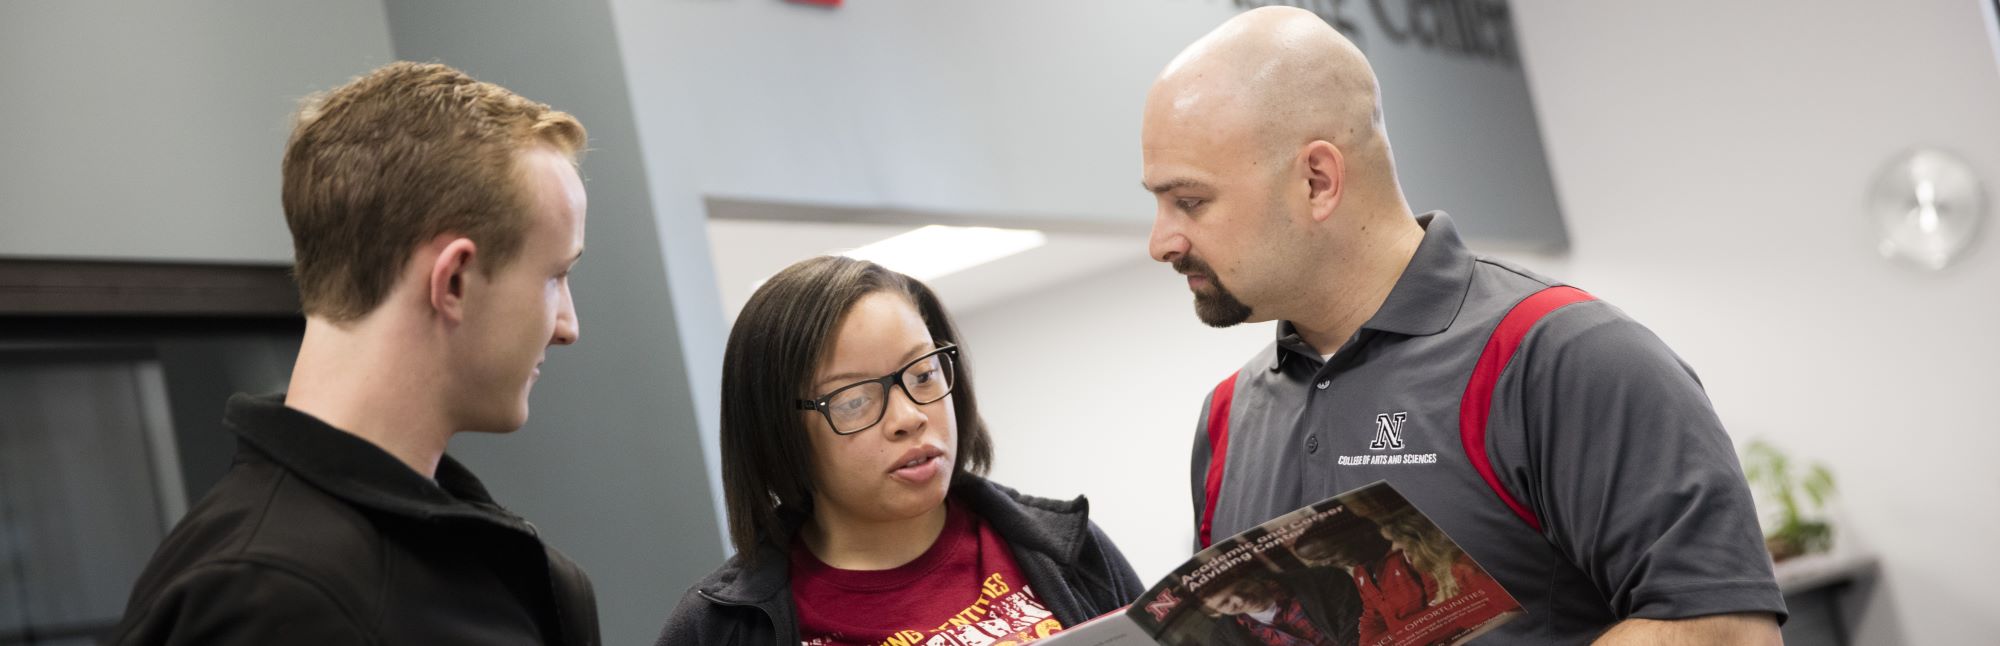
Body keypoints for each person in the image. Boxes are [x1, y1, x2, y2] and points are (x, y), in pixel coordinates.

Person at [1142, 7, 1785, 643]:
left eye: (1190, 201)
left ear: (1317, 180)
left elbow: (1728, 630)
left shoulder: (1562, 354)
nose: (1161, 241)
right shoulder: (1227, 418)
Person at [112, 62, 598, 645]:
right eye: (555, 277)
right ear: (454, 281)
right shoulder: (274, 604)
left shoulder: (458, 565)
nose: (567, 326)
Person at [656, 256, 1143, 645]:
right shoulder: (718, 628)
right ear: (778, 430)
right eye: (854, 400)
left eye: (923, 375)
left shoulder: (1069, 548)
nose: (909, 417)